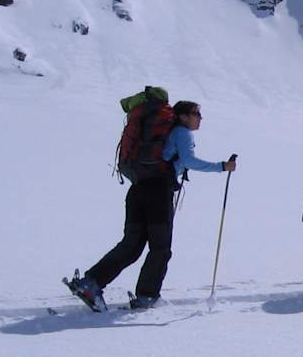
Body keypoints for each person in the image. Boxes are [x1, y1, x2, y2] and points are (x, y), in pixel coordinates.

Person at [69, 100, 236, 310]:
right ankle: (147, 296)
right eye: (196, 114)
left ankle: (90, 283)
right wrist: (222, 166)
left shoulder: (161, 134)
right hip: (158, 192)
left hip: (138, 189)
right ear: (183, 116)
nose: (200, 118)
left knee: (132, 245)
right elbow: (189, 160)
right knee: (160, 247)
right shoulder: (182, 133)